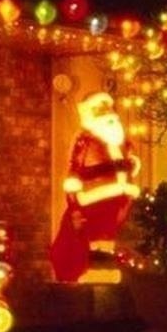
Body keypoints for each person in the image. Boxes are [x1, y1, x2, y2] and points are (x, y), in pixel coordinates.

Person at [49, 92, 141, 282]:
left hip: (121, 200)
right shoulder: (86, 140)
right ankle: (96, 276)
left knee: (110, 240)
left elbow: (125, 167)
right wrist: (74, 206)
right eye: (102, 114)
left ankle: (106, 274)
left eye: (110, 114)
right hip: (94, 200)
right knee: (94, 240)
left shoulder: (121, 143)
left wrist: (130, 164)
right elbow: (74, 172)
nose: (110, 119)